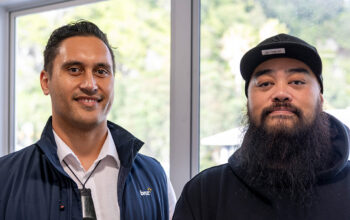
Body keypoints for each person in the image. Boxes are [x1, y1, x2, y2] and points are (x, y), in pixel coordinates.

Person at [0, 20, 176, 220]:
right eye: (74, 69)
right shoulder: (5, 178)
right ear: (45, 81)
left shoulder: (153, 176)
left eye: (101, 71)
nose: (90, 84)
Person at [173, 33, 350, 220]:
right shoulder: (205, 193)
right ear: (248, 102)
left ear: (320, 100)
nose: (281, 93)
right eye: (265, 83)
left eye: (296, 82)